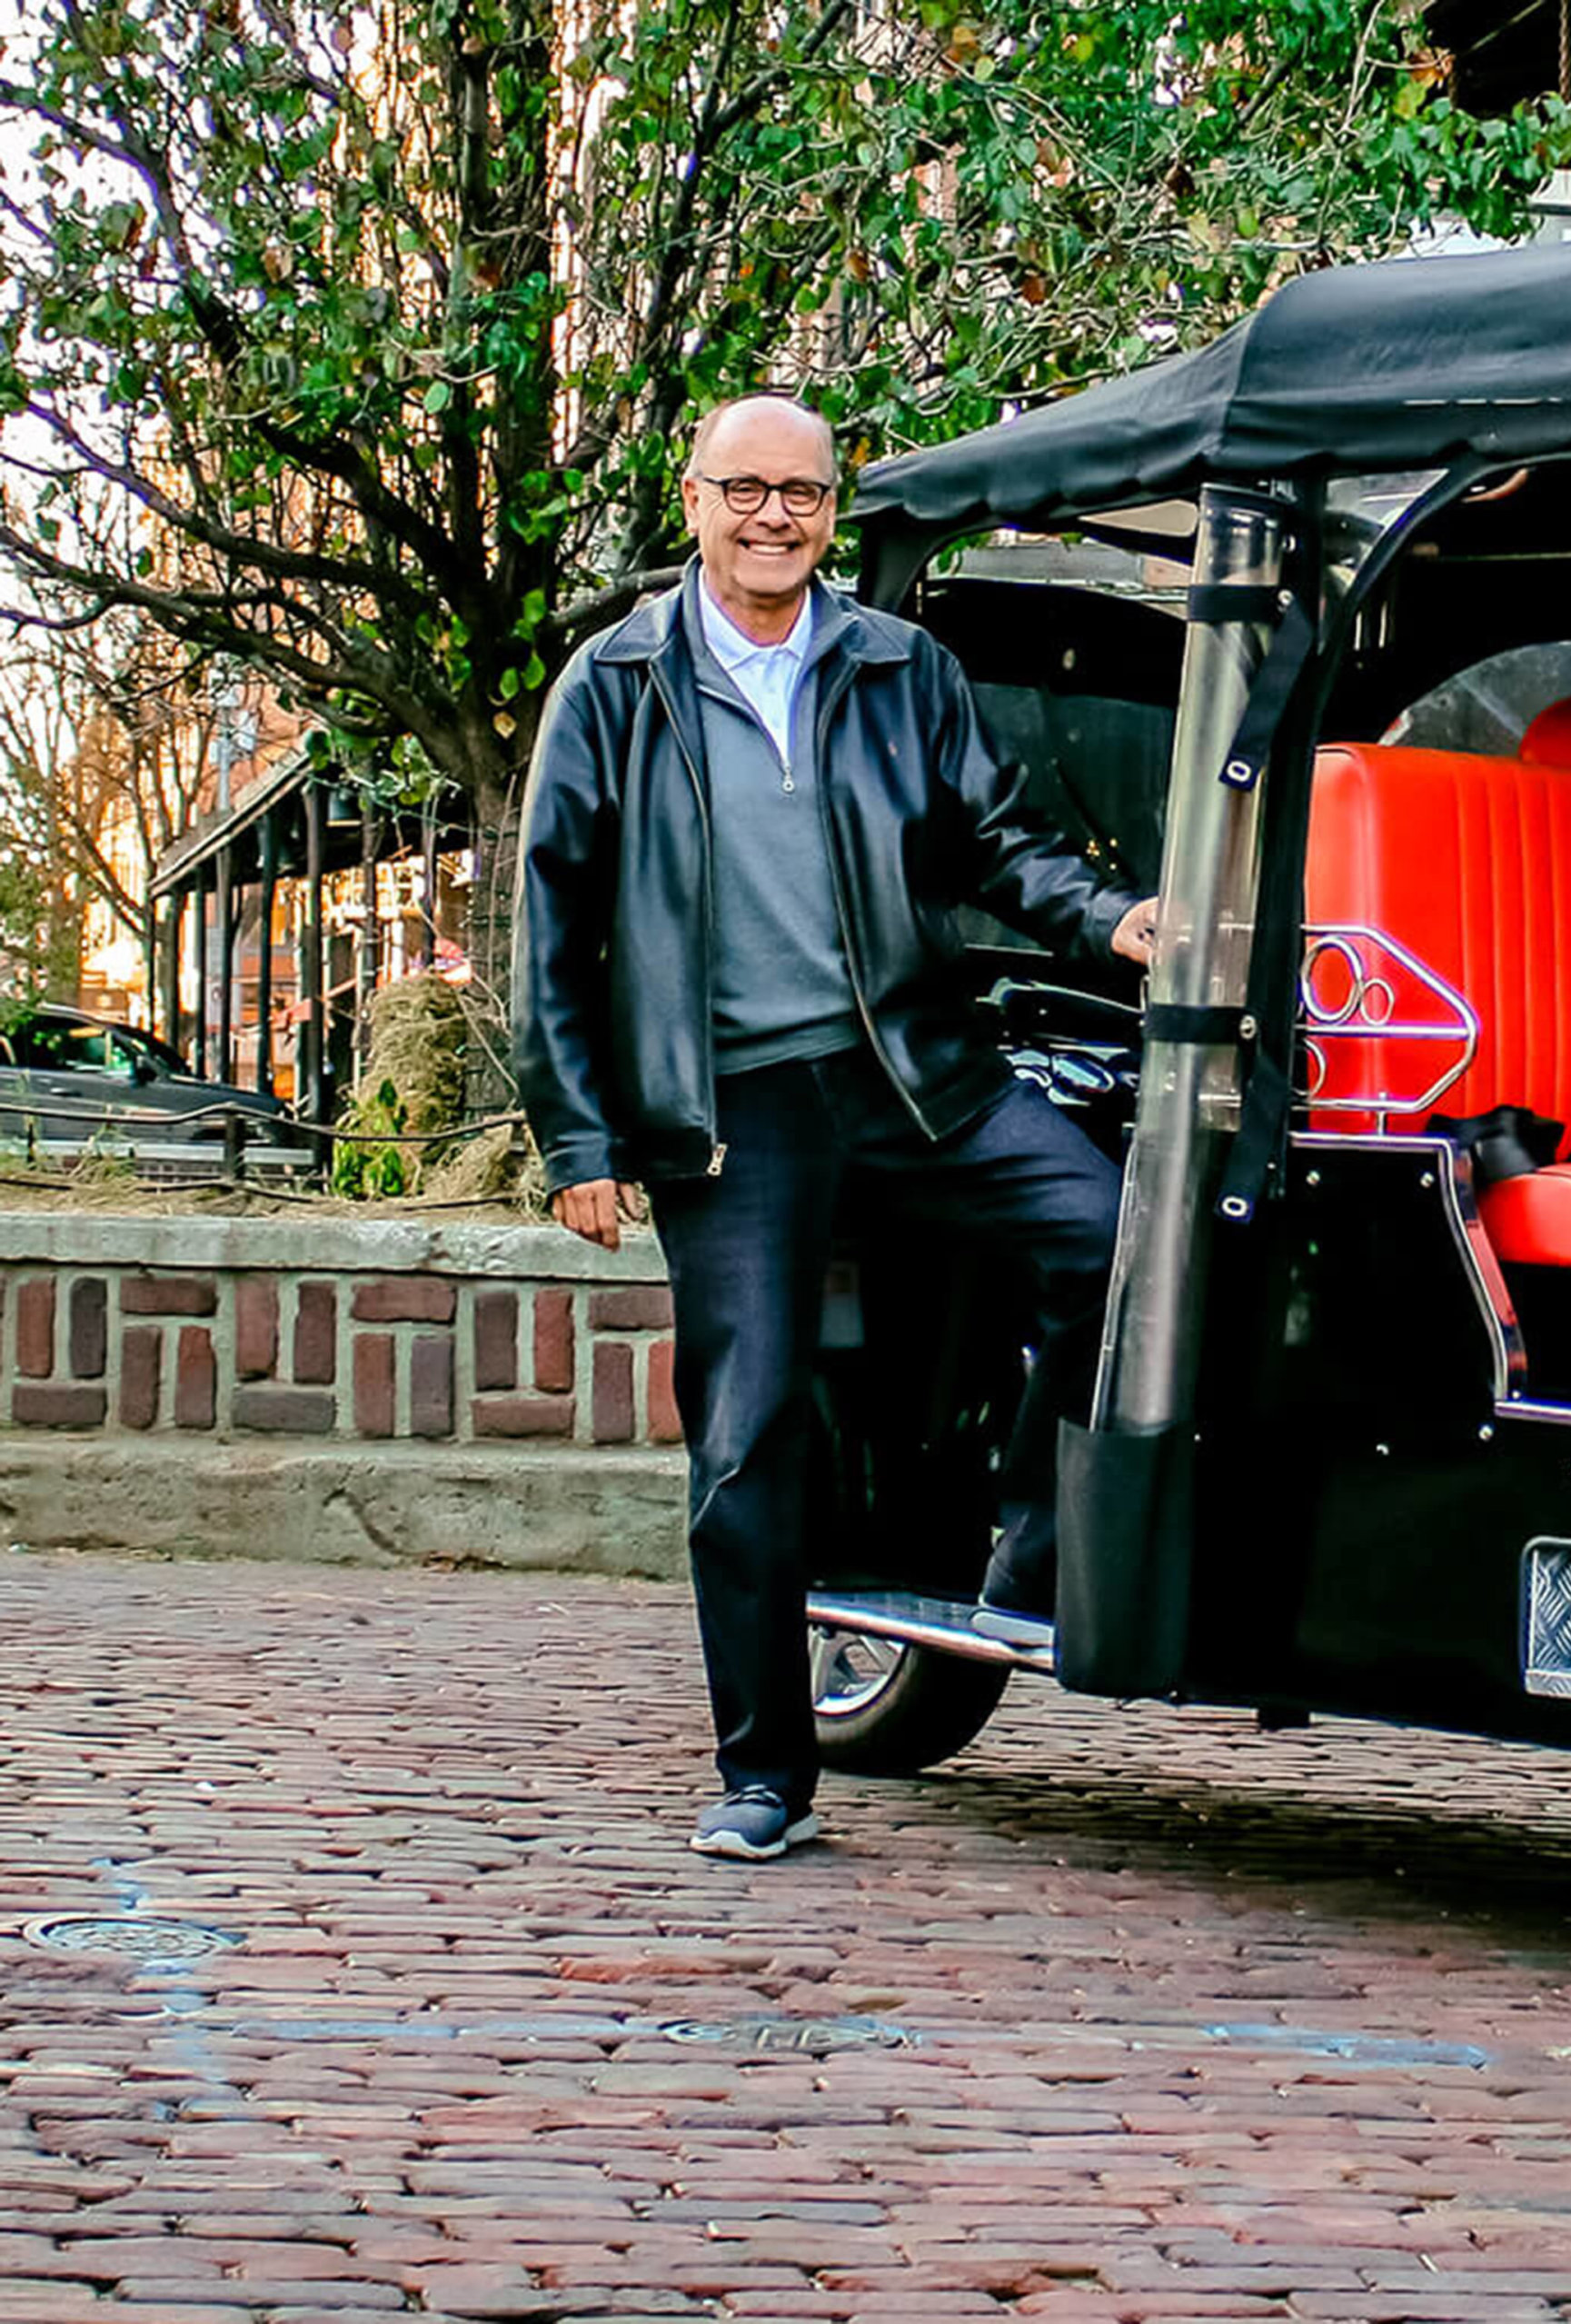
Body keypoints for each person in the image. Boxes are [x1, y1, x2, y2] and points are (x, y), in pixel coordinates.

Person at [513, 391, 1157, 1862]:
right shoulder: (616, 682)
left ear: (833, 511)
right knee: (746, 1436)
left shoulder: (900, 665)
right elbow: (550, 925)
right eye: (746, 489)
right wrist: (580, 1137)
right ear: (695, 499)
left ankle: (1030, 1542)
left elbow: (997, 841)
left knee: (1114, 1242)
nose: (774, 518)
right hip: (729, 1104)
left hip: (914, 1070)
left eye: (801, 494)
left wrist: (1114, 918)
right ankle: (763, 1773)